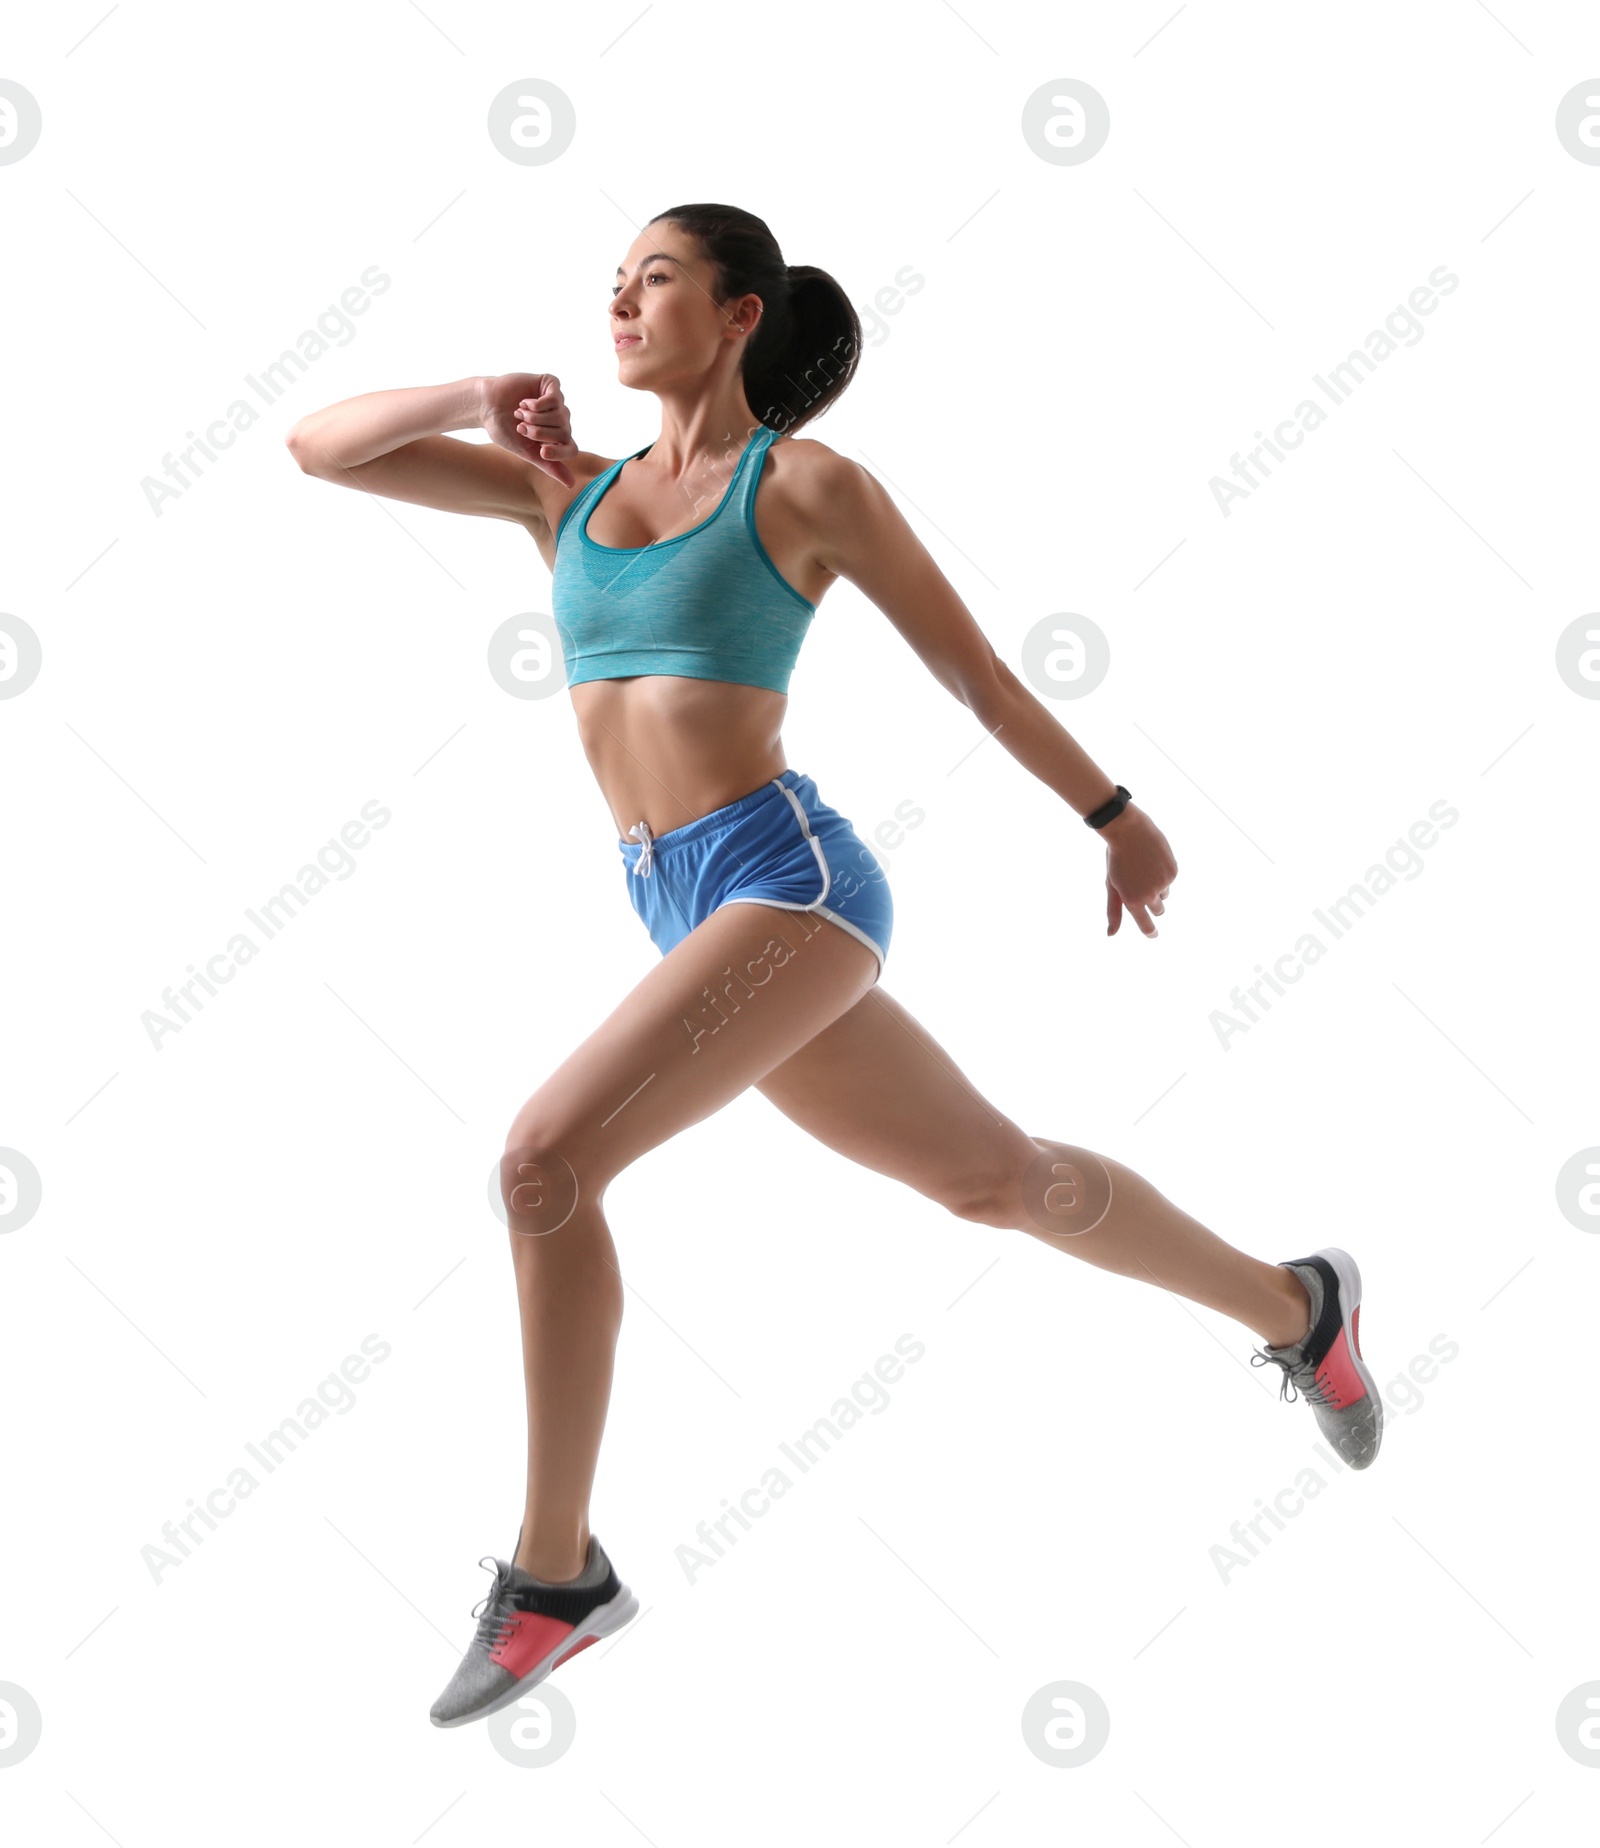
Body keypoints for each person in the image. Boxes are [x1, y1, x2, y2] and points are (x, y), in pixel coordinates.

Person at [285, 201, 1383, 1731]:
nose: (622, 301)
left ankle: (557, 1579)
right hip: (677, 907)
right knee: (996, 1179)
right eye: (613, 282)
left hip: (784, 886)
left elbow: (978, 673)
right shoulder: (570, 497)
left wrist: (1114, 815)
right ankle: (1295, 1307)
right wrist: (483, 396)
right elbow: (319, 451)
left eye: (656, 278)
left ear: (742, 315)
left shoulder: (804, 487)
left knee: (543, 1165)